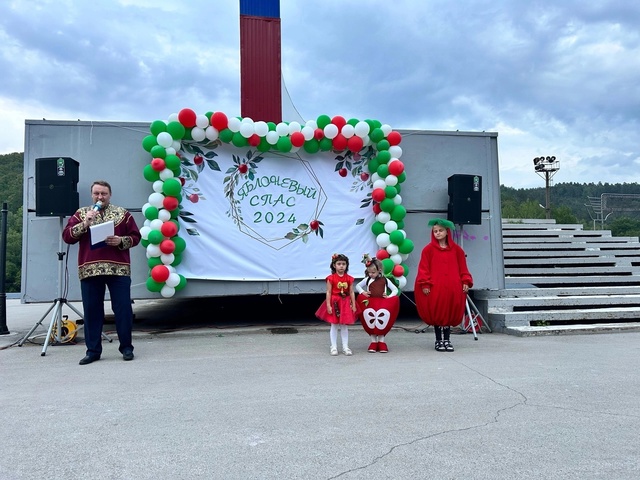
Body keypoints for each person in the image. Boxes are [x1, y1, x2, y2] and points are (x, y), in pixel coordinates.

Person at [62, 180, 141, 365]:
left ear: (109, 195)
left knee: (123, 309)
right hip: (90, 269)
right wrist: (84, 224)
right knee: (91, 311)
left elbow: (136, 237)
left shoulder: (123, 214)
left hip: (118, 268)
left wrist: (121, 240)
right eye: (97, 193)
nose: (100, 197)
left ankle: (127, 348)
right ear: (92, 195)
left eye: (103, 194)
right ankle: (93, 351)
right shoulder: (81, 214)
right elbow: (67, 236)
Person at [414, 218, 473, 352]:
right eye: (435, 231)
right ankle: (438, 340)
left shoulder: (457, 251)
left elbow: (463, 268)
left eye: (440, 230)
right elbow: (423, 269)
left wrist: (465, 281)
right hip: (436, 287)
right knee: (437, 312)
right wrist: (425, 284)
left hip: (453, 287)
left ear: (447, 232)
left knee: (449, 311)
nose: (438, 233)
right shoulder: (428, 250)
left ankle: (447, 340)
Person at [315, 253, 358, 356]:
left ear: (347, 265)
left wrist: (354, 304)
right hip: (335, 302)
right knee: (334, 324)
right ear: (334, 265)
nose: (341, 266)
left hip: (345, 303)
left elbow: (351, 292)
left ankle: (345, 347)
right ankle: (333, 347)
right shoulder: (331, 278)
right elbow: (329, 292)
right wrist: (328, 305)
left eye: (344, 264)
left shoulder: (349, 278)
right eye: (339, 264)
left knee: (344, 325)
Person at [355, 254, 399, 353]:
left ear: (379, 270)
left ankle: (382, 341)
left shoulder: (385, 280)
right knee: (371, 321)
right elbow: (358, 285)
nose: (371, 274)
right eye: (369, 272)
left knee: (381, 321)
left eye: (373, 272)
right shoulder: (368, 279)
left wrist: (389, 297)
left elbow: (395, 290)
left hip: (381, 303)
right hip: (370, 303)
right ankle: (373, 341)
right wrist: (363, 293)